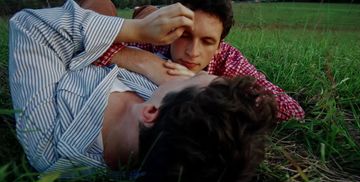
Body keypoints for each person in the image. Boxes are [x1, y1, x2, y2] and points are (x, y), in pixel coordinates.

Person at [9, 0, 276, 182]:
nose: (203, 71)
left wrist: (136, 31)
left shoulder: (48, 141)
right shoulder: (169, 120)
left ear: (150, 112)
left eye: (198, 81)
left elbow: (29, 26)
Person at [88, 0, 305, 122]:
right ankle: (144, 11)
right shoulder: (157, 40)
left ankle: (145, 10)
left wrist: (204, 82)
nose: (193, 52)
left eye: (208, 41)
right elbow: (90, 38)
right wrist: (147, 60)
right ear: (173, 30)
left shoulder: (229, 59)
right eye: (184, 36)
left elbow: (293, 111)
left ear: (220, 46)